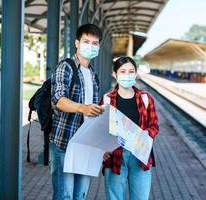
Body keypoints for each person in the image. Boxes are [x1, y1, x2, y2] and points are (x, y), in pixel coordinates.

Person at [50, 24, 104, 200]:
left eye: (95, 43)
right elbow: (58, 100)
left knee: (80, 196)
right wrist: (83, 107)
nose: (91, 46)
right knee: (64, 196)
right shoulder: (66, 67)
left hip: (86, 144)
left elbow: (94, 113)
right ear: (77, 43)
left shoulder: (93, 75)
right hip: (65, 142)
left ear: (99, 46)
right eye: (86, 41)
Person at [101, 56, 159, 200]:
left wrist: (144, 135)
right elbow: (100, 129)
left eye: (131, 71)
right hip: (115, 157)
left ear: (136, 73)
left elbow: (154, 125)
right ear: (115, 74)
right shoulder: (107, 100)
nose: (127, 75)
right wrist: (102, 148)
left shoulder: (146, 98)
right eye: (123, 71)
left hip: (140, 156)